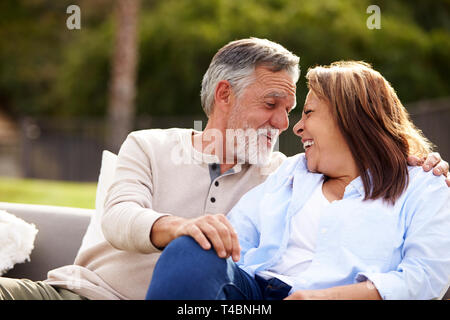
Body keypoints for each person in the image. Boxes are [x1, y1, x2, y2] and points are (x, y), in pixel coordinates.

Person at [0, 39, 447, 300]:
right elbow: (119, 218)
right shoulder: (150, 145)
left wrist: (406, 159)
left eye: (294, 109)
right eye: (272, 105)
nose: (286, 124)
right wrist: (182, 228)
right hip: (82, 294)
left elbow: (365, 155)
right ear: (224, 96)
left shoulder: (283, 171)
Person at [146, 61, 450, 300]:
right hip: (257, 293)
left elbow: (426, 276)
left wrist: (327, 298)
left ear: (350, 118)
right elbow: (236, 239)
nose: (297, 128)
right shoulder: (292, 173)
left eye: (308, 113)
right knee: (191, 249)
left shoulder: (423, 185)